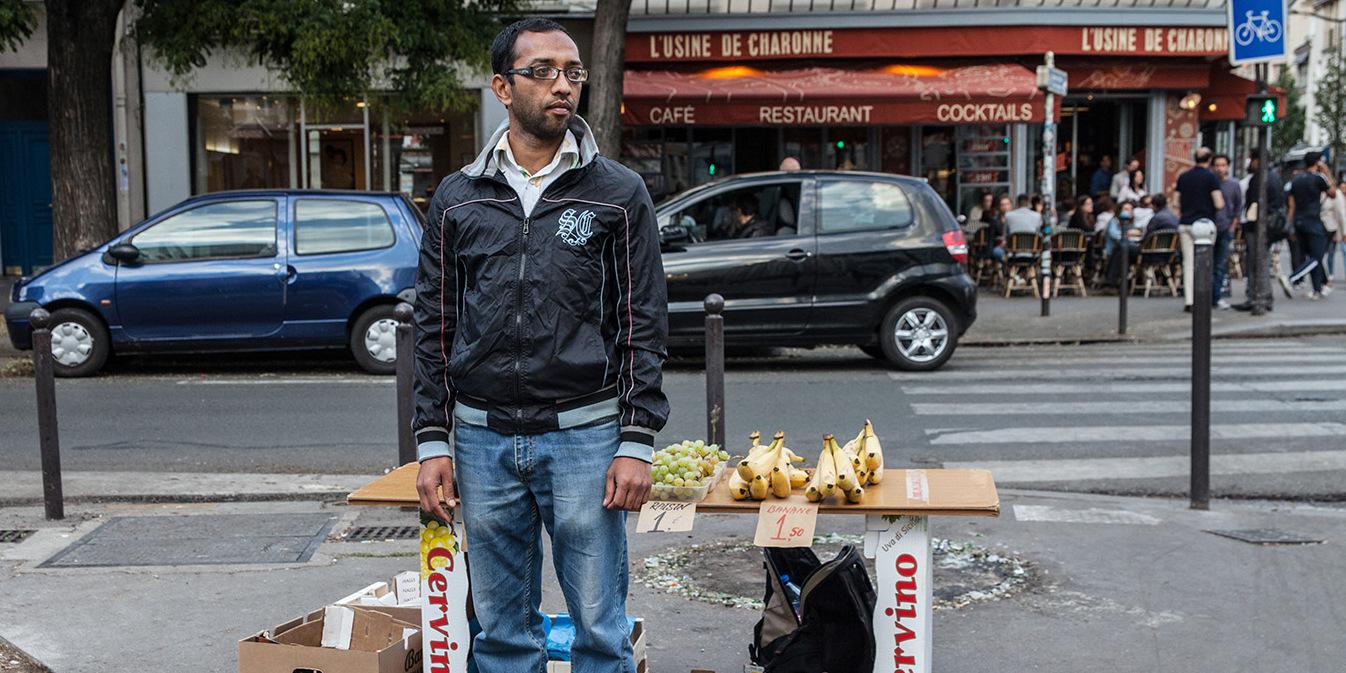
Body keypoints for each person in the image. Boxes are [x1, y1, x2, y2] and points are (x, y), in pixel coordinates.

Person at [412, 19, 668, 673]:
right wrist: (433, 440)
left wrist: (636, 438)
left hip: (584, 437)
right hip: (481, 439)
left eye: (573, 72)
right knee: (500, 635)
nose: (563, 85)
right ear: (502, 86)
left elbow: (643, 321)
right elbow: (435, 326)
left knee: (601, 632)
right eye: (543, 71)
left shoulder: (616, 194)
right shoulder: (458, 198)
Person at [1172, 147, 1226, 312]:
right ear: (1209, 160)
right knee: (1205, 262)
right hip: (1204, 224)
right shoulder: (1211, 178)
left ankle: (1190, 300)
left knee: (1188, 262)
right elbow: (1219, 203)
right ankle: (1203, 298)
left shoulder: (1183, 177)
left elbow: (1175, 202)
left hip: (1186, 223)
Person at [1232, 153, 1285, 311]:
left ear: (1257, 160)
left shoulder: (1259, 179)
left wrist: (1249, 221)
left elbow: (1254, 205)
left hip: (1257, 227)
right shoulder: (1273, 177)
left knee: (1256, 262)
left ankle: (1257, 297)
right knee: (1261, 262)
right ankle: (1263, 296)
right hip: (1266, 226)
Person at [1285, 151, 1338, 299]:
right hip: (1313, 221)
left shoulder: (1296, 180)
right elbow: (1333, 193)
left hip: (1299, 222)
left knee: (1312, 257)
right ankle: (1293, 278)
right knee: (1316, 256)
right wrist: (1327, 171)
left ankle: (1317, 289)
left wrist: (1290, 225)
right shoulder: (1319, 178)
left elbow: (1291, 205)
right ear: (1318, 162)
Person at [1212, 153, 1244, 309]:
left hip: (1225, 228)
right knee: (1208, 264)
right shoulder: (1210, 183)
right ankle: (1209, 295)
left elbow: (1238, 207)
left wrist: (1233, 226)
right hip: (1210, 228)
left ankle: (1216, 297)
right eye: (1217, 165)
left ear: (1228, 167)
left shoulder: (1234, 184)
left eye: (1223, 165)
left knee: (1221, 264)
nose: (1220, 168)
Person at [1105, 202, 1140, 287]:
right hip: (1114, 250)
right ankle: (1115, 282)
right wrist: (1127, 233)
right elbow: (1114, 234)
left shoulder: (1131, 222)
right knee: (1121, 249)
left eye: (1131, 209)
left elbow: (1138, 233)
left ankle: (1112, 281)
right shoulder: (1114, 221)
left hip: (1128, 250)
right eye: (1126, 209)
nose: (1129, 211)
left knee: (1121, 250)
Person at [1321, 178, 1346, 290]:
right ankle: (1329, 274)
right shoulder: (1327, 195)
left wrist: (1344, 232)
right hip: (1329, 228)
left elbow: (1341, 215)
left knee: (1339, 252)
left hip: (1335, 229)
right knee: (1328, 253)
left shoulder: (1338, 196)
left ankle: (1328, 276)